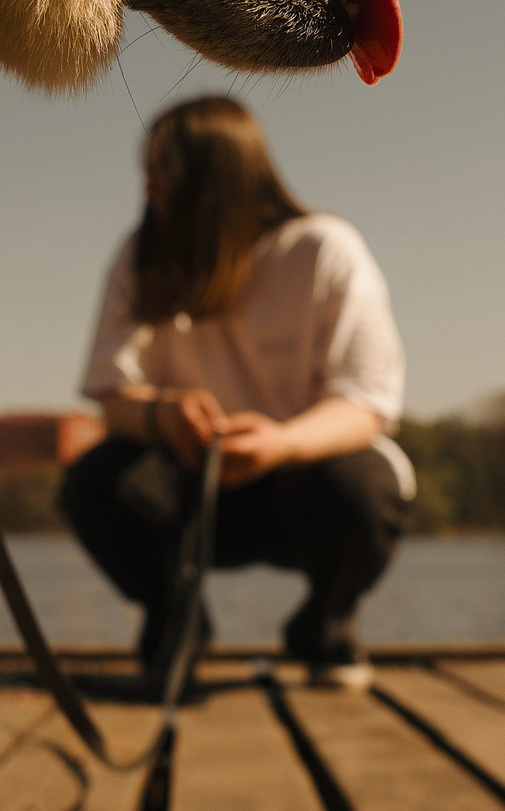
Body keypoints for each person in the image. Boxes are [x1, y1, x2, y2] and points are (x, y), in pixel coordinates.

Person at [61, 94, 412, 690]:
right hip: (189, 482)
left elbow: (368, 405)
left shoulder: (323, 248)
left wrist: (280, 444)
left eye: (161, 173)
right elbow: (111, 394)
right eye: (145, 175)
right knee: (94, 485)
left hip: (302, 478)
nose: (149, 191)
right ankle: (179, 625)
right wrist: (163, 416)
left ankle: (323, 629)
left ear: (214, 176)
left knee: (365, 492)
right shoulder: (138, 256)